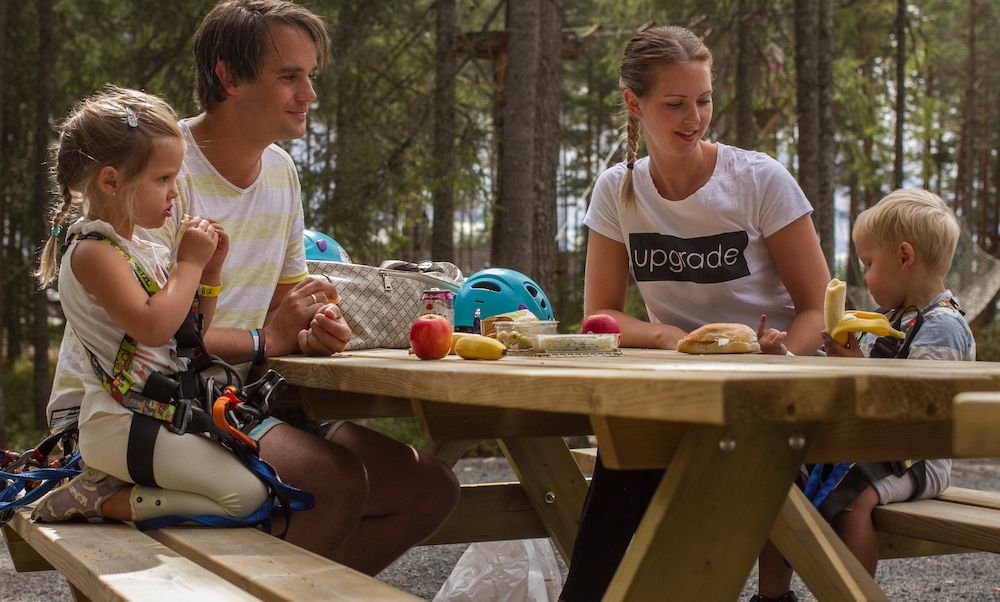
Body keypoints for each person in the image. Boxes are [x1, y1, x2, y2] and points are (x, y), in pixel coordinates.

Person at [44, 0, 459, 575]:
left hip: (224, 393)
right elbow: (161, 342)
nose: (308, 93)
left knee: (427, 488)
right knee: (331, 484)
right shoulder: (156, 172)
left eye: (310, 76)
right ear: (228, 77)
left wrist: (311, 332)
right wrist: (268, 339)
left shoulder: (282, 172)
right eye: (290, 76)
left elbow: (282, 314)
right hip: (138, 404)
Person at [560, 25, 830, 601]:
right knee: (626, 449)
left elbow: (819, 308)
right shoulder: (617, 191)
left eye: (703, 100)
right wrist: (669, 339)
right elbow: (600, 317)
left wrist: (781, 360)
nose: (695, 118)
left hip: (780, 392)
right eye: (676, 104)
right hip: (685, 388)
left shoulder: (759, 180)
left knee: (679, 466)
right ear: (635, 104)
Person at [31, 86, 268, 525]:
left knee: (261, 483)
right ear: (110, 180)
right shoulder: (93, 252)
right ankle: (101, 501)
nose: (174, 192)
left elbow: (185, 336)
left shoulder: (138, 246)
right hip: (119, 424)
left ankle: (113, 487)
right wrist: (189, 263)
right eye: (162, 179)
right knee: (249, 498)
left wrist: (209, 273)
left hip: (153, 416)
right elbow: (152, 328)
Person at [753, 188, 973, 602]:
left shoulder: (942, 325)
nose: (864, 275)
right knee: (779, 482)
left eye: (869, 263)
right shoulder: (892, 320)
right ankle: (772, 597)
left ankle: (851, 595)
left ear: (905, 257)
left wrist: (859, 368)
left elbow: (921, 406)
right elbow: (851, 380)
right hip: (876, 447)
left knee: (853, 498)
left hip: (919, 455)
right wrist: (784, 356)